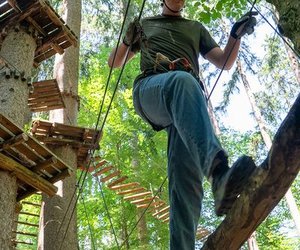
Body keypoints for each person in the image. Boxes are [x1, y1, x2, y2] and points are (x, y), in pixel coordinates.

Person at [108, 0, 257, 249]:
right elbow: (114, 62)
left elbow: (224, 62)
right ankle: (219, 174)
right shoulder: (145, 24)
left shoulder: (195, 28)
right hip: (151, 89)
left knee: (186, 183)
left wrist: (235, 35)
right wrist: (126, 40)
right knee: (183, 81)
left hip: (185, 104)